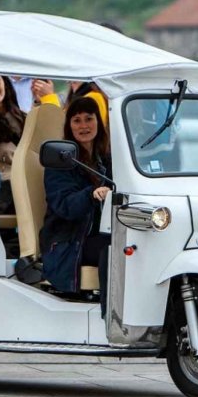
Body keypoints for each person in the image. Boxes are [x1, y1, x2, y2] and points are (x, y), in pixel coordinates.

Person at [40, 96, 113, 295]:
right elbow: (65, 206)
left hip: (101, 233)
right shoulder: (59, 161)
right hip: (69, 241)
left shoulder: (108, 158)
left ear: (99, 120)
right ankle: (112, 314)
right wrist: (91, 194)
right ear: (69, 126)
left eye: (89, 118)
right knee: (116, 248)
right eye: (77, 120)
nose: (84, 126)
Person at [0, 73, 57, 212]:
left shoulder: (22, 117)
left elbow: (46, 144)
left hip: (34, 184)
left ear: (5, 83)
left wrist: (41, 102)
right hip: (8, 189)